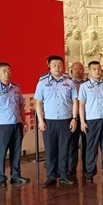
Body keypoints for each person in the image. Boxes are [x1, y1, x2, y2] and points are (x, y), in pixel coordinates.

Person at [34, 55, 78, 188]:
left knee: (65, 149)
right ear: (49, 66)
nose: (57, 67)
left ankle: (63, 175)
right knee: (50, 149)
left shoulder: (69, 82)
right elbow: (38, 103)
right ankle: (51, 176)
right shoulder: (42, 83)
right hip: (49, 121)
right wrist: (40, 121)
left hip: (66, 120)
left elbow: (75, 101)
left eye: (59, 65)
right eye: (54, 65)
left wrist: (74, 118)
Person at [0, 62, 30, 188]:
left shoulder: (16, 88)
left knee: (16, 151)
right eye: (4, 71)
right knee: (2, 152)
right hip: (3, 126)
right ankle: (1, 178)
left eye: (9, 70)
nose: (7, 73)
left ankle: (16, 176)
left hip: (16, 124)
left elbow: (21, 105)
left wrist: (24, 121)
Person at [79, 61, 103, 183]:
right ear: (89, 71)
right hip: (91, 120)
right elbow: (81, 105)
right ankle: (90, 172)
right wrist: (82, 121)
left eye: (99, 69)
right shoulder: (84, 86)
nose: (97, 71)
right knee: (91, 147)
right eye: (94, 69)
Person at [68, 62, 87, 176]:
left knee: (87, 143)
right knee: (72, 143)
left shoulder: (88, 83)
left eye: (80, 69)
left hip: (86, 116)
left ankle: (87, 167)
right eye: (75, 69)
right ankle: (71, 168)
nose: (78, 71)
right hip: (73, 117)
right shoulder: (68, 83)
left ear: (83, 70)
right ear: (71, 71)